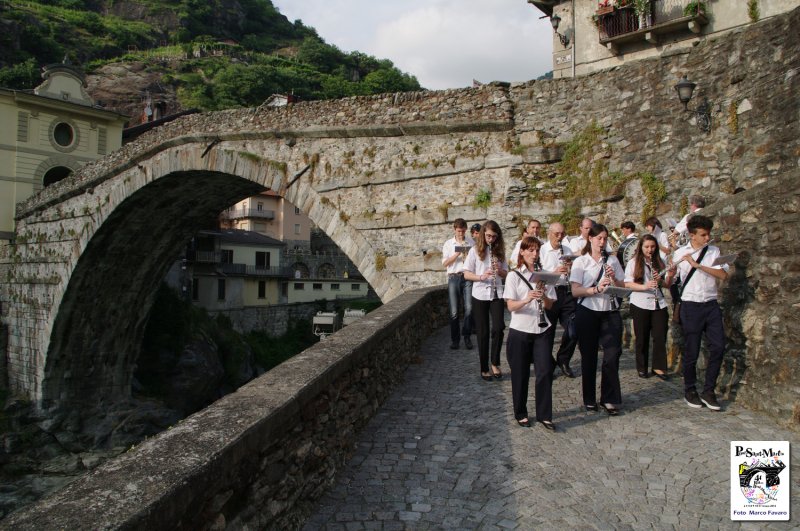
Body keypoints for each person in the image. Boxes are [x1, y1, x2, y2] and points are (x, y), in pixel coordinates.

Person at [672, 215, 729, 411]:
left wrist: (698, 265)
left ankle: (709, 390)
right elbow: (672, 279)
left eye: (708, 234)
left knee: (719, 346)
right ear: (692, 235)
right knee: (692, 350)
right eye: (703, 235)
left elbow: (723, 275)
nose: (707, 238)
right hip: (691, 306)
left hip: (711, 305)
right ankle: (690, 389)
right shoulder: (680, 253)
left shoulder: (714, 251)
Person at [569, 224, 626, 416]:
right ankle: (590, 398)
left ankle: (609, 398)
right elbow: (575, 291)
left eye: (604, 239)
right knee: (589, 356)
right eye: (599, 238)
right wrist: (595, 289)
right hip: (588, 310)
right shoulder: (581, 262)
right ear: (590, 239)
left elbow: (622, 285)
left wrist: (614, 280)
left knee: (612, 355)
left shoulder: (612, 260)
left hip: (610, 310)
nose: (602, 242)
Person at [504, 237, 557, 430]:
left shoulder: (545, 276)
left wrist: (544, 297)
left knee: (544, 371)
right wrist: (527, 299)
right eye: (531, 250)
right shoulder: (513, 276)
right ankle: (521, 412)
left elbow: (552, 304)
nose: (534, 254)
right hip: (520, 330)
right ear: (523, 252)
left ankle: (545, 415)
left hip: (541, 329)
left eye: (537, 250)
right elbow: (510, 306)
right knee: (520, 374)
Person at [624, 235, 674, 380]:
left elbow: (666, 285)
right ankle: (642, 367)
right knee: (642, 337)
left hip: (658, 303)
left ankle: (659, 368)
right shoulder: (633, 262)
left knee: (660, 336)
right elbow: (627, 283)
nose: (650, 250)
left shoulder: (659, 261)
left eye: (652, 247)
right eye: (646, 247)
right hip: (640, 303)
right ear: (641, 247)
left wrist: (669, 276)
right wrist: (644, 286)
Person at [464, 220, 508, 381]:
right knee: (482, 332)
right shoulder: (474, 251)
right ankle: (484, 367)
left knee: (498, 327)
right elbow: (466, 274)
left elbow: (507, 274)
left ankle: (495, 362)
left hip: (497, 293)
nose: (491, 239)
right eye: (488, 236)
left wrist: (500, 270)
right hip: (480, 294)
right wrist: (481, 276)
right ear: (483, 234)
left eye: (494, 237)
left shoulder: (500, 251)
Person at [540, 222, 577, 378]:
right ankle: (547, 364)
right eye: (557, 234)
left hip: (566, 292)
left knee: (573, 329)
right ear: (549, 233)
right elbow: (538, 276)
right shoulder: (541, 250)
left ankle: (563, 359)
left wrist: (570, 268)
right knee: (548, 332)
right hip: (549, 293)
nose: (560, 237)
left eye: (562, 234)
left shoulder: (567, 249)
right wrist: (555, 272)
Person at [441, 218, 475, 350]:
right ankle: (455, 340)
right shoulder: (448, 244)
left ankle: (467, 337)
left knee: (469, 308)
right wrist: (457, 253)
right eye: (459, 231)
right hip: (453, 277)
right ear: (454, 230)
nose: (461, 233)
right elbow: (445, 263)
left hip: (466, 277)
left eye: (463, 231)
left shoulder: (471, 242)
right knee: (454, 311)